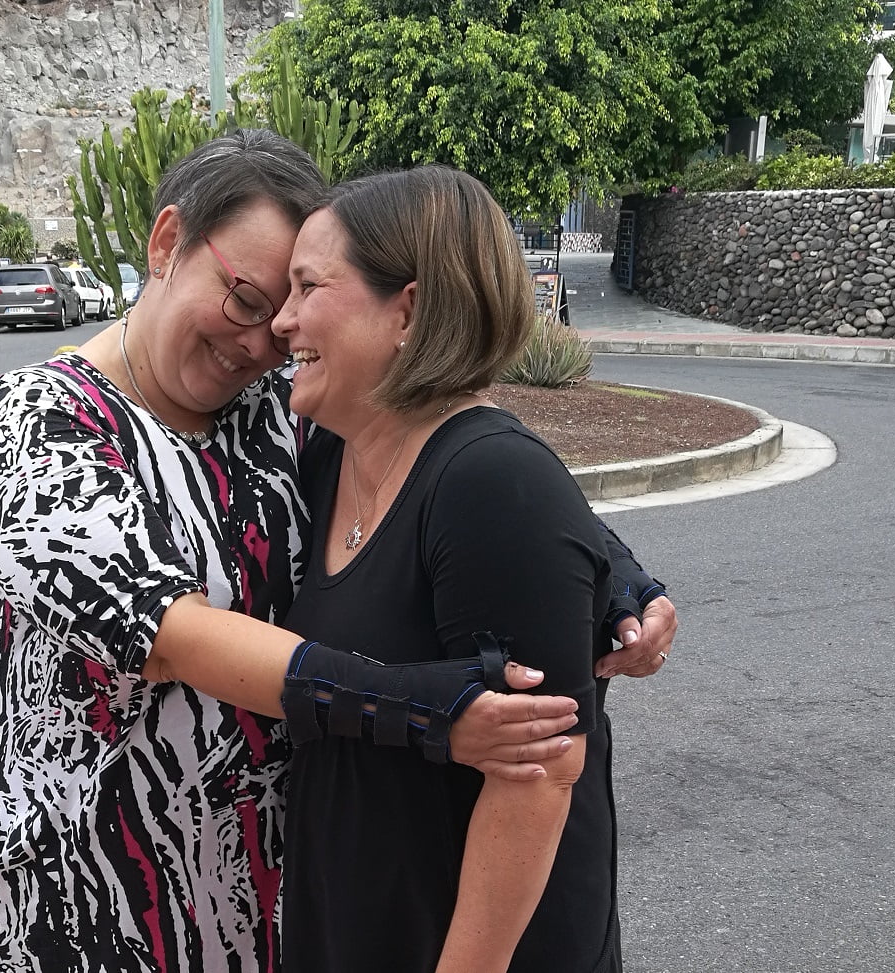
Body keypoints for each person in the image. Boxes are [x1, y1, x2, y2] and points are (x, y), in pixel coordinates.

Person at [0, 131, 675, 972]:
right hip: (87, 891)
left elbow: (446, 462)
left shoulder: (271, 413)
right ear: (166, 243)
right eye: (246, 299)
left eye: (291, 303)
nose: (263, 340)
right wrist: (421, 709)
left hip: (258, 898)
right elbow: (163, 631)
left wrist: (614, 576)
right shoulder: (38, 419)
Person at [273, 165, 626, 973]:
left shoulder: (489, 481)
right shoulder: (328, 455)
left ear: (407, 310)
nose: (282, 320)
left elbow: (538, 773)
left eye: (307, 286)